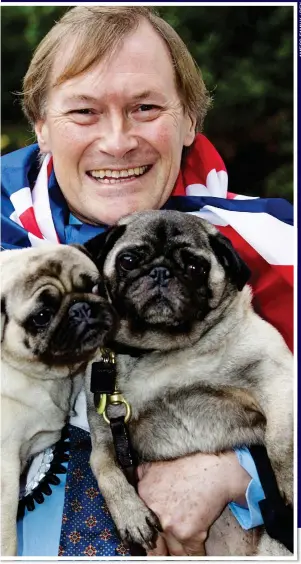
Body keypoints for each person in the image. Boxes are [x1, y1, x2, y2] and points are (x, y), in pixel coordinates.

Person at [1, 6, 293, 557]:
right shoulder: (6, 244)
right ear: (40, 124)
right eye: (84, 111)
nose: (118, 140)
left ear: (188, 119)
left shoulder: (274, 247)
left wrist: (240, 473)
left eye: (145, 108)